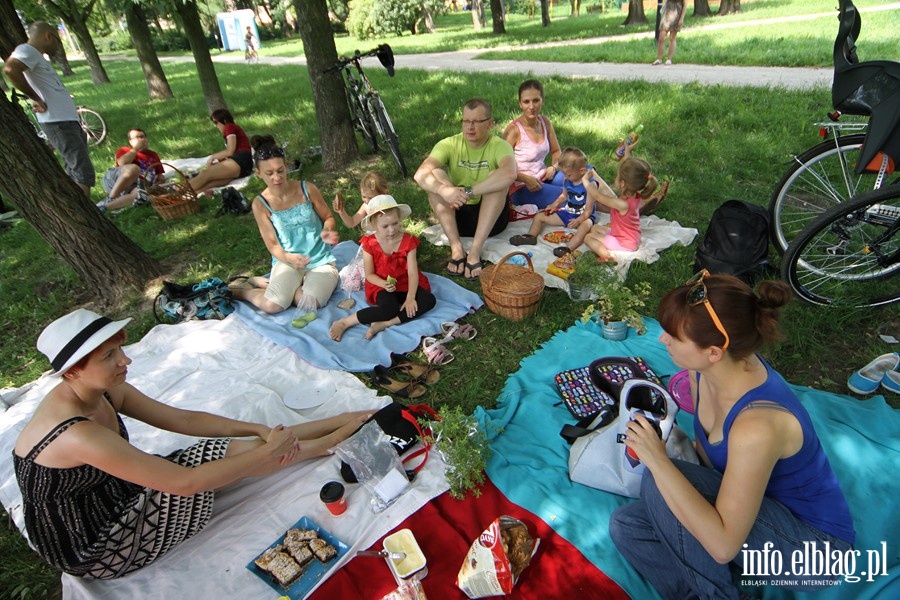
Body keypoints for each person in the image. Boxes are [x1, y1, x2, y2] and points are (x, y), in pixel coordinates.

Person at [13, 308, 371, 579]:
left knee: (224, 453)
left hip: (116, 490)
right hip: (97, 543)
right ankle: (328, 441)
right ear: (72, 371)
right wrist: (267, 450)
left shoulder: (105, 390)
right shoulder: (74, 432)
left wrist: (256, 429)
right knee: (206, 473)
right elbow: (184, 483)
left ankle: (322, 436)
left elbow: (183, 420)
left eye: (119, 349)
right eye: (109, 357)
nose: (126, 359)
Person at [609, 274, 855, 597]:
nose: (661, 341)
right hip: (754, 514)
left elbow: (724, 546)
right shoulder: (703, 372)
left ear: (713, 351)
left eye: (673, 336)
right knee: (628, 528)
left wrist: (658, 460)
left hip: (813, 552)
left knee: (660, 480)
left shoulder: (757, 426)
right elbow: (709, 463)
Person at [230, 135, 339, 315]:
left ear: (286, 166)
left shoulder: (307, 188)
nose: (277, 177)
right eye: (269, 173)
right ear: (258, 173)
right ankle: (244, 291)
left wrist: (327, 230)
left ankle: (277, 286)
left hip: (320, 261)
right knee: (272, 306)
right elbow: (272, 245)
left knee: (309, 303)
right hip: (287, 261)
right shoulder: (260, 204)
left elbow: (328, 217)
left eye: (280, 171)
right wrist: (289, 258)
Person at [414, 98, 516, 279]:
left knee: (497, 179)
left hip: (491, 221)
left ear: (490, 124)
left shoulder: (500, 145)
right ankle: (457, 249)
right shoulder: (449, 144)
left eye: (477, 121)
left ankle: (475, 251)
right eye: (466, 121)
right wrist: (444, 190)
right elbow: (420, 174)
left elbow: (509, 174)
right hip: (457, 213)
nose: (470, 126)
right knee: (435, 175)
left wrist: (470, 191)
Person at [4, 21, 95, 198]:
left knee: (74, 169)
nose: (59, 45)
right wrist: (35, 98)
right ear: (48, 36)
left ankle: (78, 208)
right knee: (82, 170)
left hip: (65, 119)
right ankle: (85, 216)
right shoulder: (27, 50)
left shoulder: (35, 55)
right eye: (58, 40)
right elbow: (10, 69)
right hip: (58, 122)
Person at [329, 195, 435, 342]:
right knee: (388, 309)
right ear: (374, 226)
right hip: (382, 285)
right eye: (385, 226)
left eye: (395, 223)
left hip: (405, 282)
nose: (391, 230)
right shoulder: (370, 244)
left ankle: (385, 324)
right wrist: (383, 284)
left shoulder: (409, 241)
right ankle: (345, 322)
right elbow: (370, 274)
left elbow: (412, 273)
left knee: (428, 300)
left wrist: (410, 297)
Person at [509, 146, 608, 257]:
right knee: (539, 217)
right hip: (568, 212)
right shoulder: (567, 180)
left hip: (584, 216)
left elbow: (589, 210)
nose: (565, 177)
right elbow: (564, 196)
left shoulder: (590, 184)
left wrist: (579, 221)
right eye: (564, 174)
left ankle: (567, 248)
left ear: (582, 171)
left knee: (585, 227)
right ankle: (531, 236)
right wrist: (554, 204)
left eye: (568, 174)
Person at [582, 153, 659, 262]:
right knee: (595, 228)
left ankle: (608, 257)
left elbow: (598, 196)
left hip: (624, 243)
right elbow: (631, 171)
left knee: (588, 238)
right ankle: (607, 249)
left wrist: (585, 181)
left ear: (622, 183)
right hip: (627, 237)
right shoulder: (635, 194)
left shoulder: (622, 204)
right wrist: (627, 151)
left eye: (617, 176)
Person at [503, 79, 563, 210]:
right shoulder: (513, 130)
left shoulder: (545, 122)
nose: (531, 106)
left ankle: (615, 206)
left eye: (536, 100)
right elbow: (500, 165)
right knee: (574, 194)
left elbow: (556, 151)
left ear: (542, 100)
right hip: (521, 186)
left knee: (584, 171)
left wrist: (553, 167)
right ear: (520, 104)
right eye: (526, 102)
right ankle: (615, 212)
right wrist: (525, 178)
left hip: (543, 176)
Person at [96, 128, 165, 213]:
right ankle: (111, 197)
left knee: (140, 194)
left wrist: (158, 181)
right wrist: (136, 149)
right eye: (136, 137)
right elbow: (122, 163)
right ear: (130, 141)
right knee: (134, 169)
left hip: (135, 185)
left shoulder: (153, 155)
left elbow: (160, 175)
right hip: (117, 180)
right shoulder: (125, 150)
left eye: (142, 137)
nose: (140, 139)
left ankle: (105, 207)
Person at [187, 109, 253, 193]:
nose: (215, 126)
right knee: (212, 182)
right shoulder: (232, 128)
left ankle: (179, 192)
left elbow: (230, 151)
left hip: (241, 160)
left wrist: (213, 157)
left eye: (216, 122)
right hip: (244, 165)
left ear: (224, 120)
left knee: (205, 174)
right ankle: (190, 193)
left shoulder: (229, 127)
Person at [653, 0, 686, 66]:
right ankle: (659, 59)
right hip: (667, 11)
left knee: (672, 38)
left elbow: (685, 4)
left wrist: (681, 18)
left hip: (677, 11)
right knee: (661, 37)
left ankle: (669, 59)